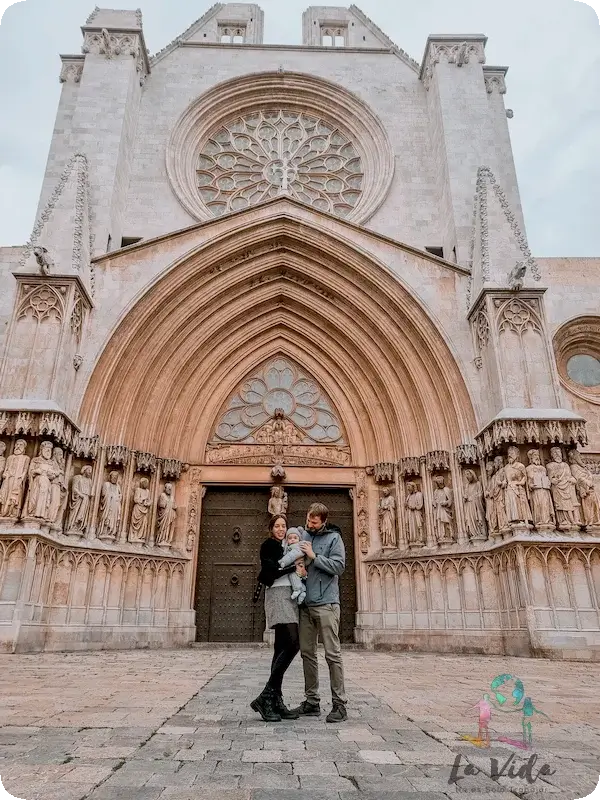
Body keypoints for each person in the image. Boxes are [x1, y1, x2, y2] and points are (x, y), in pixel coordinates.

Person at [293, 502, 347, 723]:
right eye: (308, 520)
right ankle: (312, 701)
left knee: (332, 654)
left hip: (326, 604)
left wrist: (314, 556)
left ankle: (339, 704)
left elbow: (339, 567)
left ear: (323, 521)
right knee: (307, 653)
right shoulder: (303, 534)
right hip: (306, 604)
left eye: (314, 523)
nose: (310, 525)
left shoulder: (334, 538)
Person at [250, 514, 305, 722]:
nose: (281, 529)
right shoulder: (268, 545)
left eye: (284, 526)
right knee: (293, 644)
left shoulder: (286, 545)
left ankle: (275, 700)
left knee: (281, 647)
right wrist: (293, 568)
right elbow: (271, 572)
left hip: (287, 596)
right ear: (271, 528)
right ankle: (267, 695)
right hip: (277, 595)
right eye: (277, 526)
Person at [278, 527, 307, 604]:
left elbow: (292, 556)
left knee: (292, 574)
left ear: (299, 539)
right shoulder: (288, 547)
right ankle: (302, 592)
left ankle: (297, 589)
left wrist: (283, 562)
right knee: (297, 579)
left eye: (295, 538)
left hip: (299, 567)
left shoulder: (299, 546)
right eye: (290, 538)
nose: (292, 540)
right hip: (298, 567)